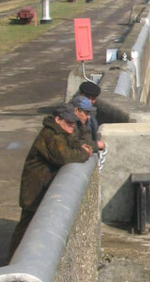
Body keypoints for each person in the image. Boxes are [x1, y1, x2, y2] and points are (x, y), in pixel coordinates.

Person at [8, 103, 92, 261]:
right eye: (69, 122)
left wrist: (83, 148)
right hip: (35, 189)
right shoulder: (50, 135)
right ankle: (12, 263)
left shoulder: (61, 132)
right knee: (26, 229)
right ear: (58, 119)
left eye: (74, 122)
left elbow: (73, 145)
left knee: (29, 227)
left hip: (41, 186)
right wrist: (83, 152)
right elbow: (64, 156)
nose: (73, 125)